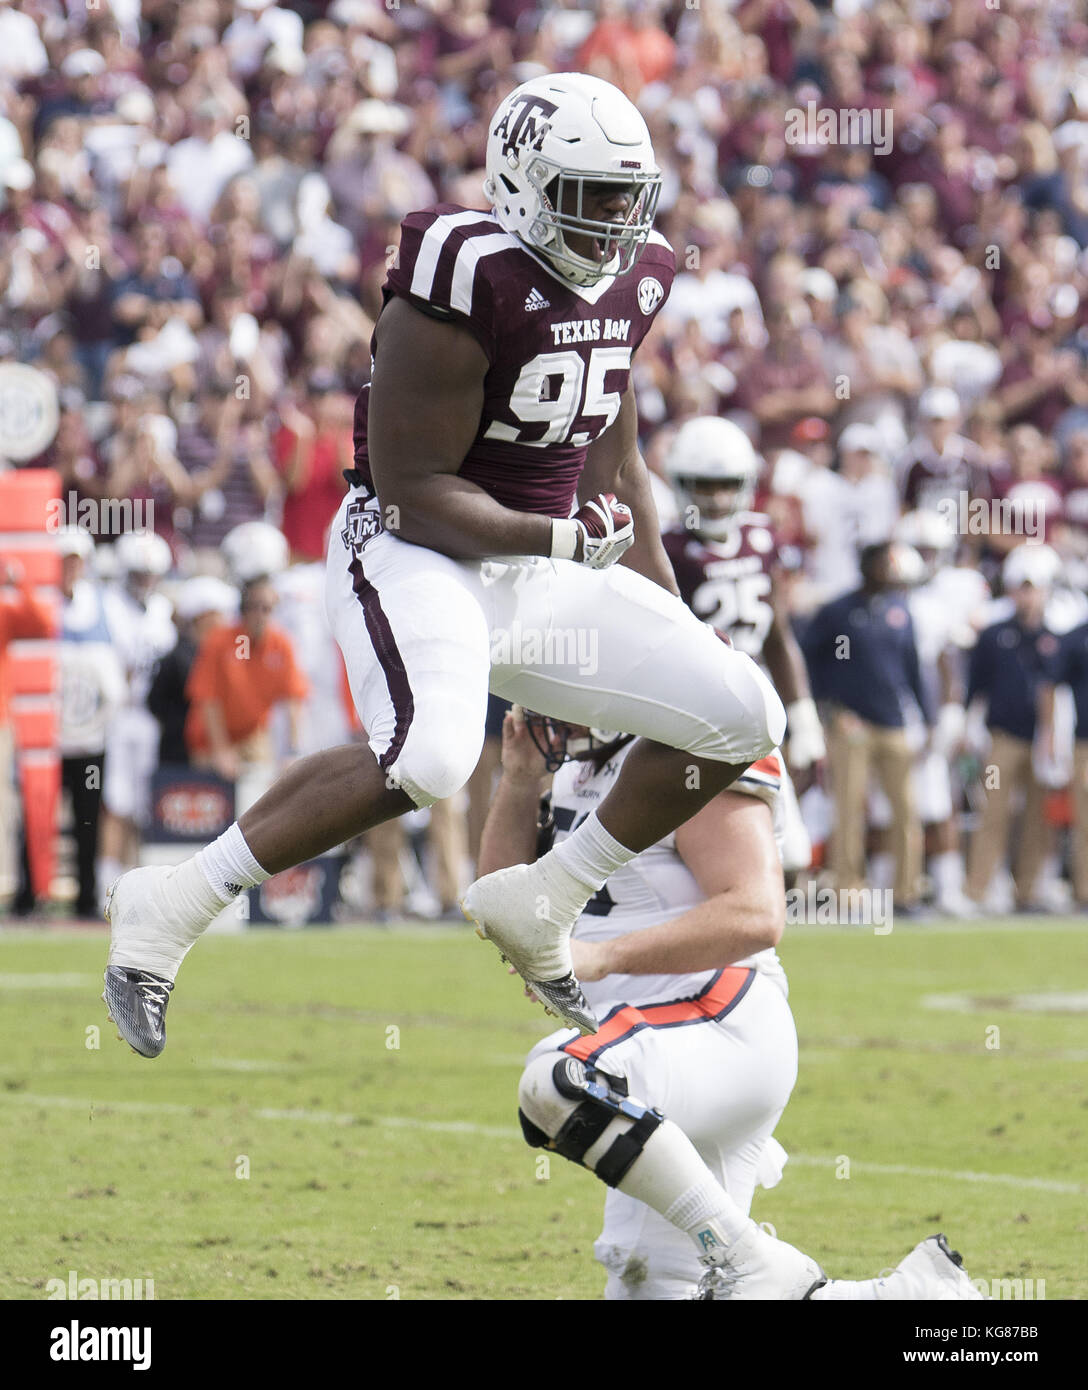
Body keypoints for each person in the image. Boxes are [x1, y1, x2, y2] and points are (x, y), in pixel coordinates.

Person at [104, 73, 788, 1279]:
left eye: (624, 199)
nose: (609, 224)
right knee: (426, 757)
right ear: (520, 181)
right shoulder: (456, 275)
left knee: (742, 707)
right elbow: (414, 482)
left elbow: (617, 461)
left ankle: (545, 897)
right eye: (584, 197)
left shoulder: (634, 273)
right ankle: (175, 902)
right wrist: (552, 540)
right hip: (418, 553)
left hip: (547, 565)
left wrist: (676, 645)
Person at [480, 706, 984, 1301]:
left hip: (720, 1024)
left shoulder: (687, 741)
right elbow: (501, 903)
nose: (548, 705)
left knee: (558, 1082)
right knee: (652, 1284)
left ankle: (754, 1259)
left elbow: (756, 913)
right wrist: (518, 783)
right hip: (648, 1049)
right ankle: (908, 1297)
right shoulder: (570, 768)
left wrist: (602, 956)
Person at [659, 414, 823, 871]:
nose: (716, 499)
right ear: (679, 483)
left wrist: (804, 718)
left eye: (727, 485)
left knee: (792, 854)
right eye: (704, 485)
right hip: (693, 714)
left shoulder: (761, 537)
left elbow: (778, 634)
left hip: (756, 710)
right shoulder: (666, 548)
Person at [803, 541, 930, 912]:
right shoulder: (838, 611)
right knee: (849, 808)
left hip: (893, 721)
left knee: (906, 809)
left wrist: (928, 716)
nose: (891, 570)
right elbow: (807, 659)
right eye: (884, 563)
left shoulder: (900, 610)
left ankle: (906, 892)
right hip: (850, 722)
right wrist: (827, 706)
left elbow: (912, 667)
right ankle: (847, 891)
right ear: (868, 566)